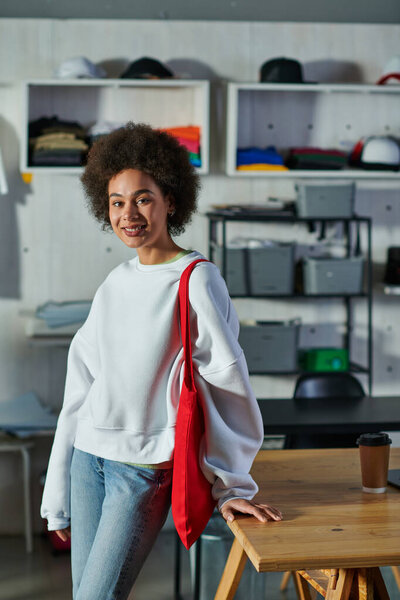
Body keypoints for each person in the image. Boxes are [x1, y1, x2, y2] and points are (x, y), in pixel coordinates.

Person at [40, 122, 282, 599]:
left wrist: (232, 488)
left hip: (142, 469)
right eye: (116, 201)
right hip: (89, 460)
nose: (129, 214)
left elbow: (228, 387)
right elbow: (81, 388)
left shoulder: (196, 279)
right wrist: (57, 492)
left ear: (171, 200)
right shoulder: (115, 281)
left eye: (143, 198)